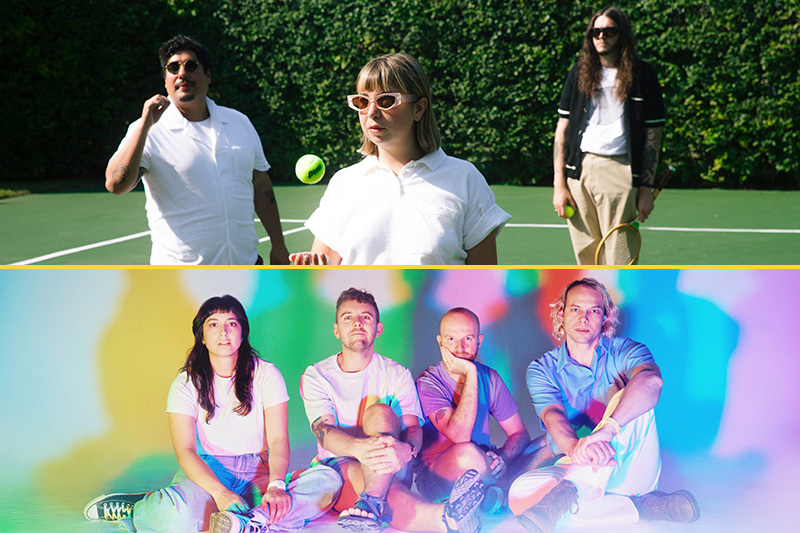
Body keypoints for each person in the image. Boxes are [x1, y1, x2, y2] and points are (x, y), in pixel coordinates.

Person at [83, 295, 341, 533]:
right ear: (202, 336)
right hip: (210, 472)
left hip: (258, 472)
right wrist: (219, 492)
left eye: (231, 323)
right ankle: (143, 505)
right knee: (175, 519)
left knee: (328, 480)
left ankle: (249, 523)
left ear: (242, 333)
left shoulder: (266, 374)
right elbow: (185, 450)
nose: (223, 332)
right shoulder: (185, 383)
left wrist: (276, 486)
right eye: (213, 324)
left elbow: (277, 441)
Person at [507, 278, 700, 533]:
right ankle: (643, 508)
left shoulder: (626, 351)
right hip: (575, 462)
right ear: (561, 314)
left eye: (593, 311)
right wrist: (575, 448)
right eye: (575, 309)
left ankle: (568, 494)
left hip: (629, 469)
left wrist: (605, 431)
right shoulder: (542, 368)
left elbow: (652, 380)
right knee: (519, 496)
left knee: (629, 396)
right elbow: (553, 416)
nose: (583, 318)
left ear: (605, 317)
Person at [290, 53, 511, 265]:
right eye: (362, 101)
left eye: (386, 101)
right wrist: (311, 268)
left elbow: (484, 277)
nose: (372, 112)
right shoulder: (344, 183)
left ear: (419, 108)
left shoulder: (465, 179)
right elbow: (322, 271)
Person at [299, 288, 485, 533]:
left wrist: (406, 450)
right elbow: (324, 432)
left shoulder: (396, 373)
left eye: (365, 317)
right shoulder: (316, 375)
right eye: (348, 317)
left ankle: (371, 501)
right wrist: (364, 451)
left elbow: (413, 428)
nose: (357, 323)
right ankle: (447, 518)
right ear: (337, 330)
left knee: (379, 413)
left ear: (378, 328)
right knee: (380, 482)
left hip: (396, 458)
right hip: (341, 465)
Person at [105, 35, 290, 265]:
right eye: (173, 68)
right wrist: (144, 125)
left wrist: (279, 245)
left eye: (191, 66)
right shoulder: (147, 130)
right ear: (165, 80)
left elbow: (261, 184)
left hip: (247, 269)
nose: (182, 73)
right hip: (180, 278)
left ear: (208, 75)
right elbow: (116, 184)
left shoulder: (239, 122)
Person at [552, 7, 665, 264]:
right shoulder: (578, 73)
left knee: (619, 259)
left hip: (619, 170)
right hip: (579, 173)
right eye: (596, 32)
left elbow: (653, 135)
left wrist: (645, 188)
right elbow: (563, 130)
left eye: (609, 31)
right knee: (586, 259)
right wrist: (560, 185)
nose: (601, 37)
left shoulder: (643, 74)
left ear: (622, 35)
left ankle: (617, 305)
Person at [415, 308, 539, 512]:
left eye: (468, 339)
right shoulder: (428, 382)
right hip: (436, 475)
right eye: (451, 339)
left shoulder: (490, 378)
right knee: (467, 453)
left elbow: (519, 433)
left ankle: (490, 491)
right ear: (440, 342)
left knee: (548, 441)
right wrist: (470, 372)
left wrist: (503, 460)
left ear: (479, 340)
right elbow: (460, 436)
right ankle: (502, 492)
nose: (459, 347)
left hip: (484, 461)